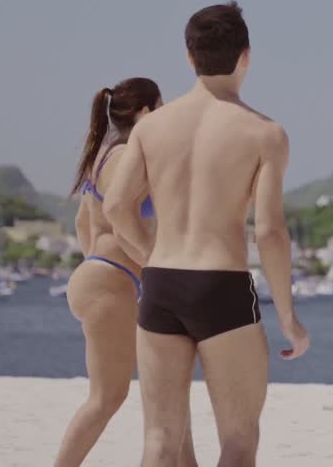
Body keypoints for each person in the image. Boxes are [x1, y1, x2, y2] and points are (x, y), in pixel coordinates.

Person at [103, 1, 310, 466]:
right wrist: (289, 317)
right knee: (238, 441)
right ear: (247, 56)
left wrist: (154, 254)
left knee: (160, 438)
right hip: (222, 287)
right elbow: (271, 232)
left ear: (190, 58)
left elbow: (117, 206)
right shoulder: (266, 133)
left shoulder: (151, 127)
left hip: (162, 284)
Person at [55, 78, 198, 467]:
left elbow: (85, 225)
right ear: (146, 112)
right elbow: (118, 217)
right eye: (162, 104)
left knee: (166, 396)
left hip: (106, 279)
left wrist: (103, 267)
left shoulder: (103, 157)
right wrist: (150, 261)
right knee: (107, 398)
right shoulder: (123, 158)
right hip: (112, 283)